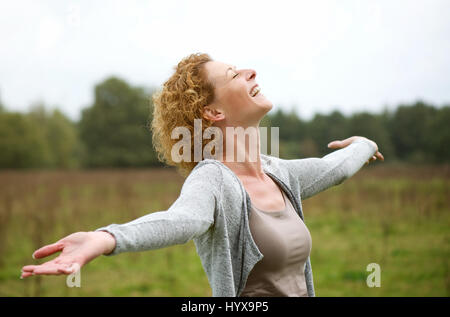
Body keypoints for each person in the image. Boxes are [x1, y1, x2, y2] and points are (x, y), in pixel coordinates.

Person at [20, 53, 384, 297]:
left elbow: (333, 168)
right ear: (213, 112)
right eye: (234, 75)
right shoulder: (214, 180)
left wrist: (364, 144)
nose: (250, 72)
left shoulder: (279, 173)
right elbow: (180, 220)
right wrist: (104, 239)